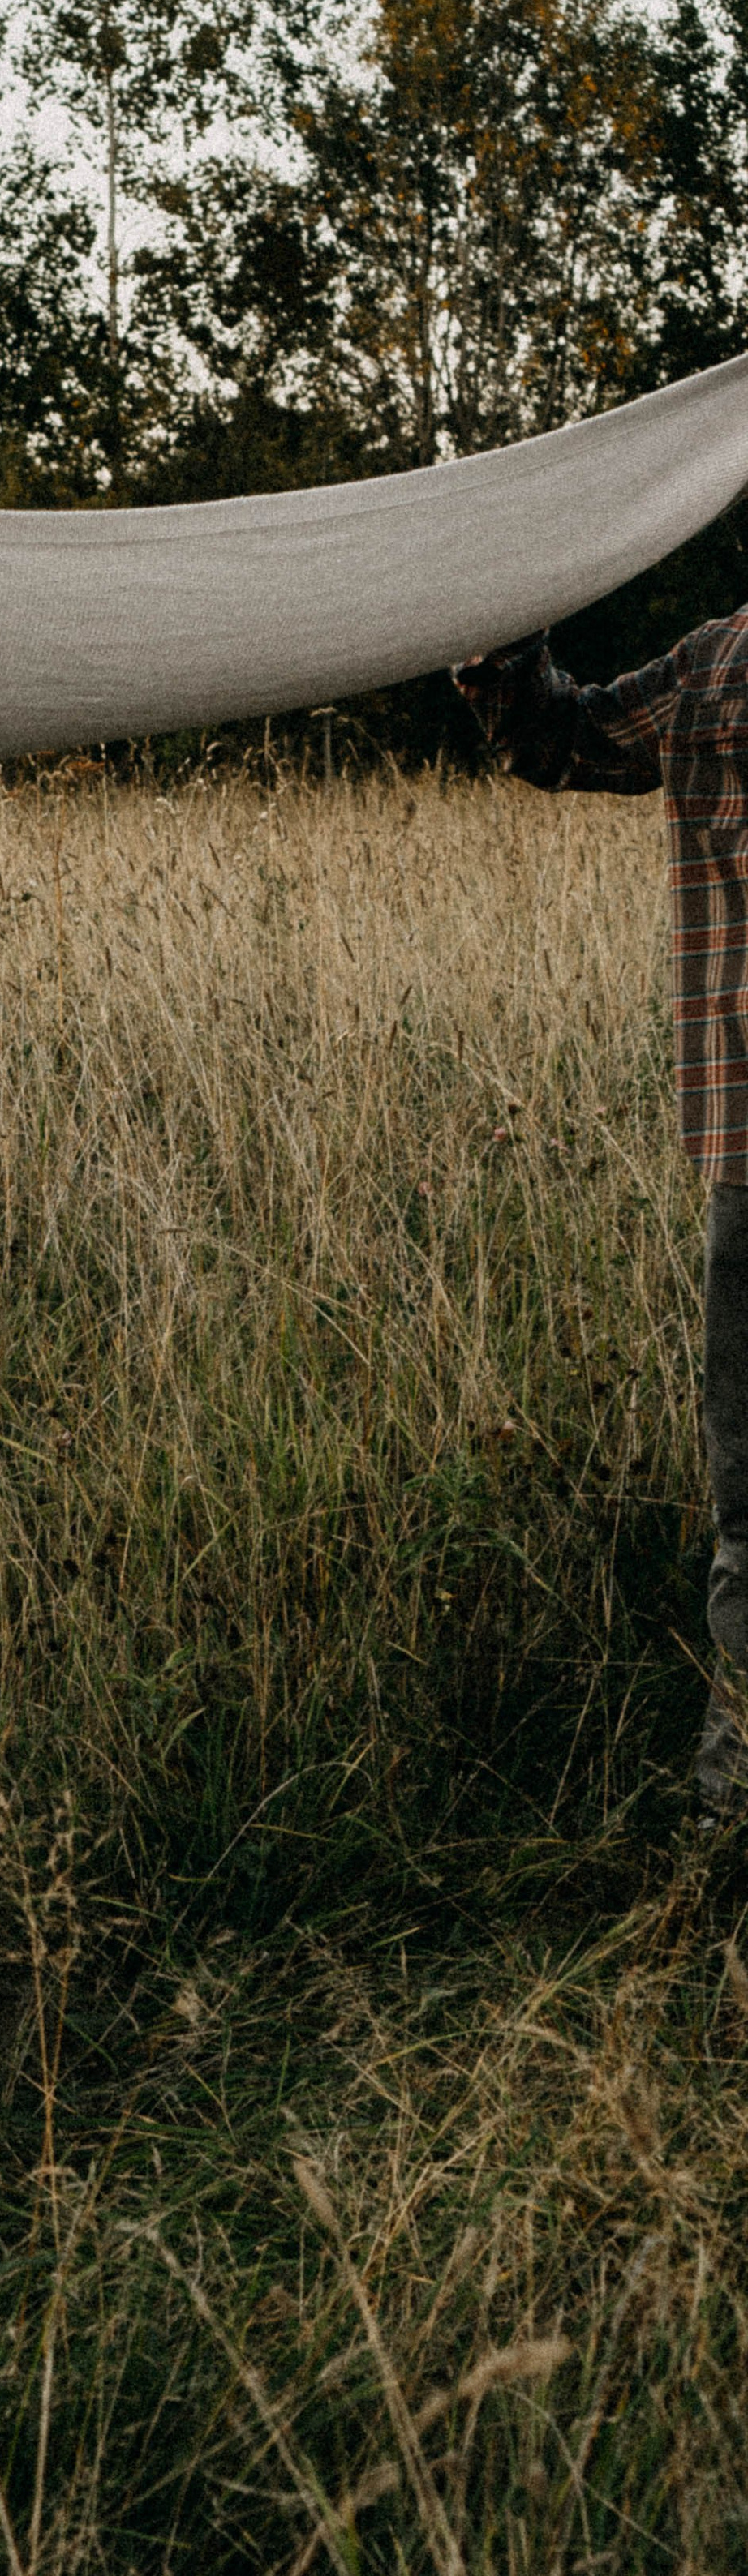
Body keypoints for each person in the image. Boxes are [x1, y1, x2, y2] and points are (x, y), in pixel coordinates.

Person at [453, 607, 748, 1816]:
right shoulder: (717, 666)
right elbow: (565, 738)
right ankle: (733, 1811)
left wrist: (501, 605)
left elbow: (552, 739)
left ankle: (734, 1809)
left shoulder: (722, 663)